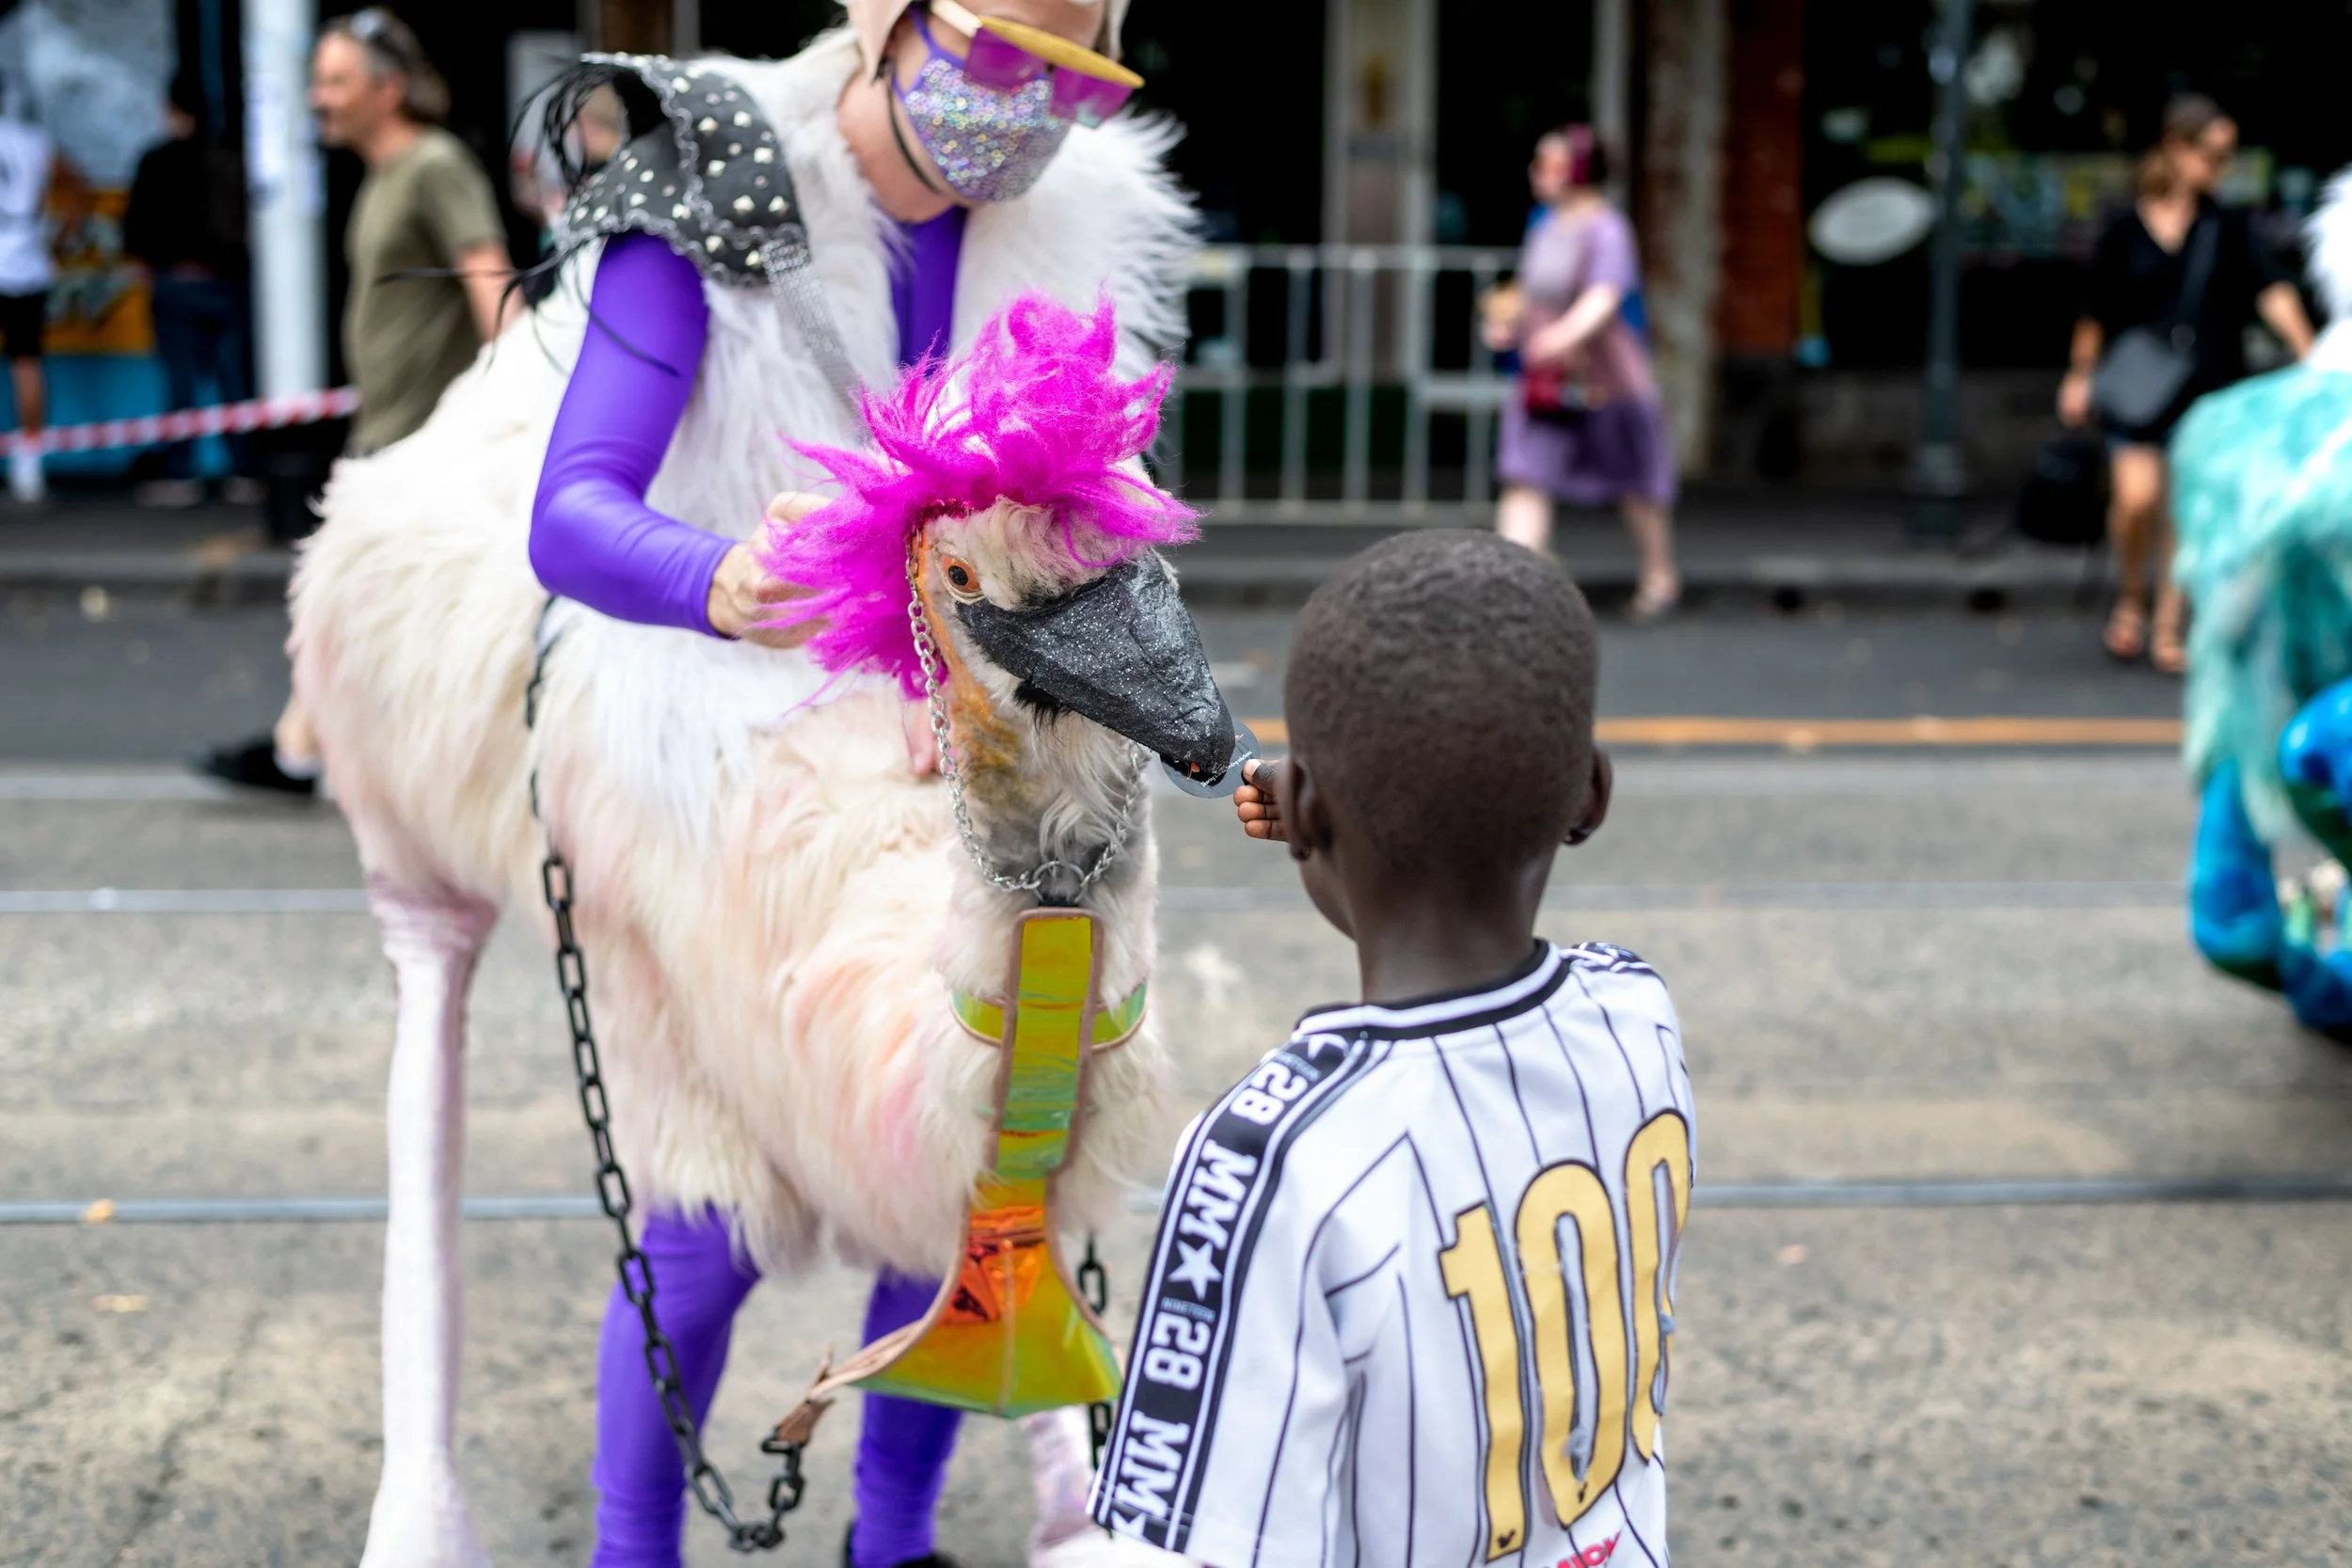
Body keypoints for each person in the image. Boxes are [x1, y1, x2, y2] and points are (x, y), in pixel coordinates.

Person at [294, 2, 1191, 1565]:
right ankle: (634, 1546)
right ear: (892, 26)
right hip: (692, 740)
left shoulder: (1059, 229)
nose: (1031, 110)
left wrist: (999, 666)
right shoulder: (711, 183)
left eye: (1074, 78)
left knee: (976, 1165)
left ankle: (891, 1538)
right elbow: (574, 514)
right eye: (997, 60)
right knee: (705, 1234)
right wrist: (723, 583)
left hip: (930, 750)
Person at [1095, 530, 1694, 1565]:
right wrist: (1336, 802)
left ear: (1303, 815)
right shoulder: (1637, 1014)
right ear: (1589, 796)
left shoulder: (1274, 1155)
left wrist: (1335, 800)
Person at [198, 7, 511, 793]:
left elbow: (488, 275)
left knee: (357, 599)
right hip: (389, 429)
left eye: (335, 80)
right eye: (317, 81)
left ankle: (314, 752)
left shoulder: (434, 166)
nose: (318, 97)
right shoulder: (386, 175)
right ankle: (310, 747)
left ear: (388, 88)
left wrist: (518, 396)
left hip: (423, 438)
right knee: (362, 604)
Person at [2060, 93, 2314, 675]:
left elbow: (2270, 289)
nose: (2220, 167)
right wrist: (2078, 376)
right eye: (2212, 153)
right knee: (2135, 500)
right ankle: (2130, 597)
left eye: (2227, 156)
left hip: (2207, 390)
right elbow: (2095, 309)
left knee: (2183, 512)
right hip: (2137, 390)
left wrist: (2309, 352)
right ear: (2176, 148)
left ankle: (2169, 625)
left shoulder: (2227, 225)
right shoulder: (2124, 227)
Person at [1489, 126, 1681, 621]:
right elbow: (1532, 293)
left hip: (1604, 381)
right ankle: (1513, 583)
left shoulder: (1607, 229)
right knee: (1525, 476)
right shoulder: (1545, 224)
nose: (1538, 174)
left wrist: (1563, 338)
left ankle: (1658, 575)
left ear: (1577, 171)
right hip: (1544, 381)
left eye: (1549, 164)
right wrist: (1509, 325)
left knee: (1636, 481)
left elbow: (1605, 295)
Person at [122, 72, 262, 508]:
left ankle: (180, 473)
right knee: (234, 381)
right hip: (227, 284)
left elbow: (135, 229)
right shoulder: (231, 159)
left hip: (176, 284)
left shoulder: (156, 161)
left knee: (180, 383)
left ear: (170, 109)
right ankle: (245, 471)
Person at [0, 93, 56, 504]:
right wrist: (60, 238)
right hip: (27, 260)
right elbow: (76, 187)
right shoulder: (34, 140)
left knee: (26, 364)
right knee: (27, 363)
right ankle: (29, 466)